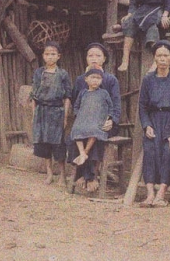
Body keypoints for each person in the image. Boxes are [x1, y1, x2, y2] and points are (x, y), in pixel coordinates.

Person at [138, 40, 170, 206]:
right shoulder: (148, 80)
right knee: (150, 152)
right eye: (159, 55)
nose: (162, 58)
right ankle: (149, 194)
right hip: (153, 120)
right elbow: (142, 105)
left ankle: (161, 193)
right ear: (154, 58)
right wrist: (146, 125)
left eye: (165, 55)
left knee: (168, 152)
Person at [68, 43, 122, 193]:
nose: (94, 59)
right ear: (86, 59)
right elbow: (75, 102)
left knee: (97, 135)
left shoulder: (111, 80)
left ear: (104, 59)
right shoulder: (81, 80)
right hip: (85, 121)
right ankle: (83, 174)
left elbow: (116, 105)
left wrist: (112, 120)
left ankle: (91, 176)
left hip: (105, 122)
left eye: (98, 55)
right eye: (90, 55)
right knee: (76, 135)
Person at [30, 42, 72, 185]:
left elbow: (67, 97)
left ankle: (62, 175)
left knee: (58, 144)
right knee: (44, 143)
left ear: (58, 56)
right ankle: (49, 173)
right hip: (41, 112)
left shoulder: (62, 74)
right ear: (43, 56)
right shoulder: (38, 73)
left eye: (53, 54)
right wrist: (33, 115)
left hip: (57, 112)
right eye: (47, 54)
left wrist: (65, 117)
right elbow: (34, 96)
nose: (50, 57)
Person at [70, 68, 113, 166]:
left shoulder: (104, 93)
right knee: (76, 129)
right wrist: (78, 115)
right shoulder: (83, 93)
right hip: (84, 119)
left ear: (102, 80)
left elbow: (111, 107)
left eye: (98, 78)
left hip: (97, 119)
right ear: (86, 79)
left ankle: (85, 152)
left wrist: (109, 117)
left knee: (94, 130)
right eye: (92, 77)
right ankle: (82, 153)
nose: (95, 80)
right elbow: (76, 106)